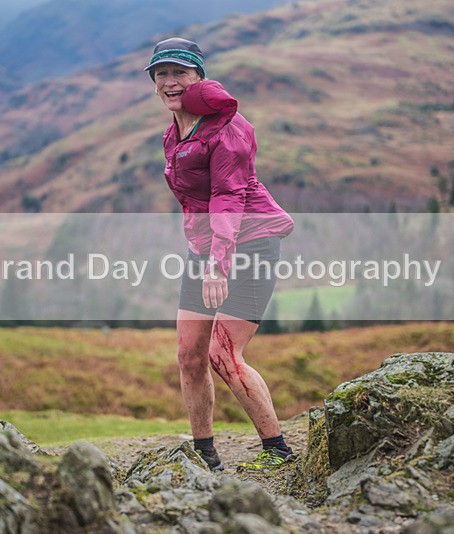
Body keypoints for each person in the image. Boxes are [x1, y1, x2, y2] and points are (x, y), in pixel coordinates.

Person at [145, 37, 296, 470]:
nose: (170, 82)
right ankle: (205, 455)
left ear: (199, 78)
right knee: (189, 356)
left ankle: (278, 454)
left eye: (180, 73)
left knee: (223, 355)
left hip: (249, 245)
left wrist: (217, 265)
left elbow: (227, 199)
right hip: (206, 249)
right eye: (162, 75)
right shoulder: (173, 134)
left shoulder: (227, 130)